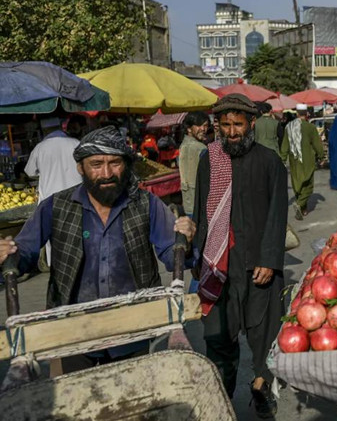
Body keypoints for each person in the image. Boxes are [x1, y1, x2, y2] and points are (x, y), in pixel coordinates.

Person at [0, 126, 195, 373]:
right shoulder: (56, 206)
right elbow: (25, 252)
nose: (106, 173)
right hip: (73, 333)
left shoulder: (146, 204)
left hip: (133, 328)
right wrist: (9, 254)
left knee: (130, 403)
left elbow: (171, 254)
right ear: (80, 168)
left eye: (115, 163)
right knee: (77, 405)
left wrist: (185, 242)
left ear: (126, 164)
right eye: (96, 164)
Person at [192, 93, 287, 418]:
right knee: (218, 339)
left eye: (238, 125)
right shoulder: (210, 160)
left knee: (265, 335)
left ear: (251, 124)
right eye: (225, 125)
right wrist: (199, 259)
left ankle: (262, 387)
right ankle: (220, 401)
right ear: (217, 126)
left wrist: (270, 259)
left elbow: (277, 214)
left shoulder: (270, 161)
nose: (232, 132)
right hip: (220, 268)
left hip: (260, 267)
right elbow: (203, 212)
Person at [24, 117, 83, 271]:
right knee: (79, 230)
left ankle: (57, 267)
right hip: (77, 196)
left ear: (44, 130)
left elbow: (29, 172)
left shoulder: (40, 148)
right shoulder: (75, 143)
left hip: (51, 199)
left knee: (54, 235)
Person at [281, 103, 324, 220]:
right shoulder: (310, 127)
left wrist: (283, 159)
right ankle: (300, 204)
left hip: (294, 160)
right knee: (308, 185)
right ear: (306, 114)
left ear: (297, 113)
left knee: (297, 184)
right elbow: (317, 144)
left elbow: (285, 145)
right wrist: (321, 156)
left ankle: (303, 209)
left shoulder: (288, 127)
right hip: (307, 160)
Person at [179, 111, 209, 218]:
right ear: (188, 128)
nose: (203, 129)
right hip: (200, 202)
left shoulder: (183, 145)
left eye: (205, 125)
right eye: (199, 125)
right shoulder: (201, 148)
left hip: (188, 201)